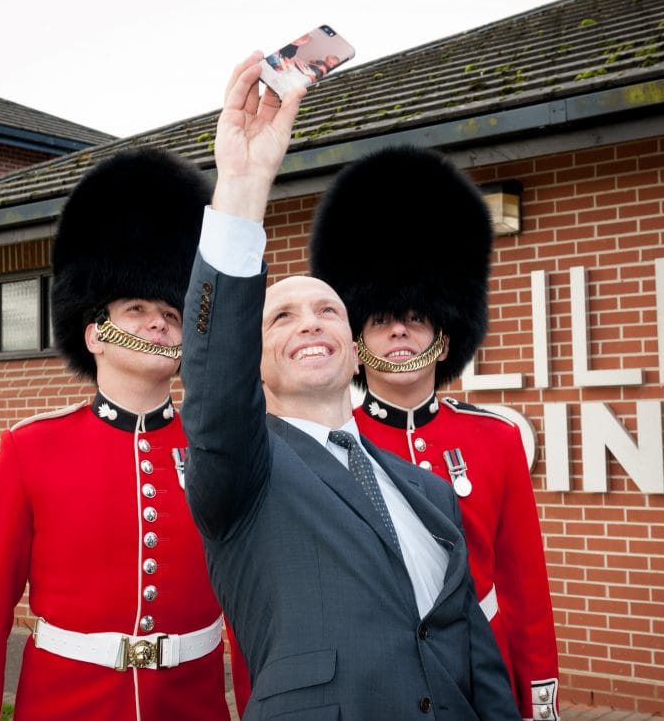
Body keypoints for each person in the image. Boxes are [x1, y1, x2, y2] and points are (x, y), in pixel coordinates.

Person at [180, 52, 520, 720]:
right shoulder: (243, 471)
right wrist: (244, 189)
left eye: (328, 310)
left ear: (356, 350)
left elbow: (477, 665)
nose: (311, 322)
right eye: (282, 315)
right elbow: (215, 378)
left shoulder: (427, 492)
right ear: (253, 359)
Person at [0, 148, 231, 721]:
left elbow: (254, 613)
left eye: (171, 315)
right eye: (136, 308)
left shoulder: (217, 448)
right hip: (67, 704)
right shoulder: (32, 449)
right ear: (95, 334)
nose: (158, 322)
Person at [309, 145, 562, 720]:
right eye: (380, 319)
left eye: (417, 317)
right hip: (375, 680)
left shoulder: (493, 440)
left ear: (443, 338)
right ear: (357, 343)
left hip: (481, 671)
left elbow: (525, 589)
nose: (399, 328)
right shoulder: (327, 444)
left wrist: (538, 701)